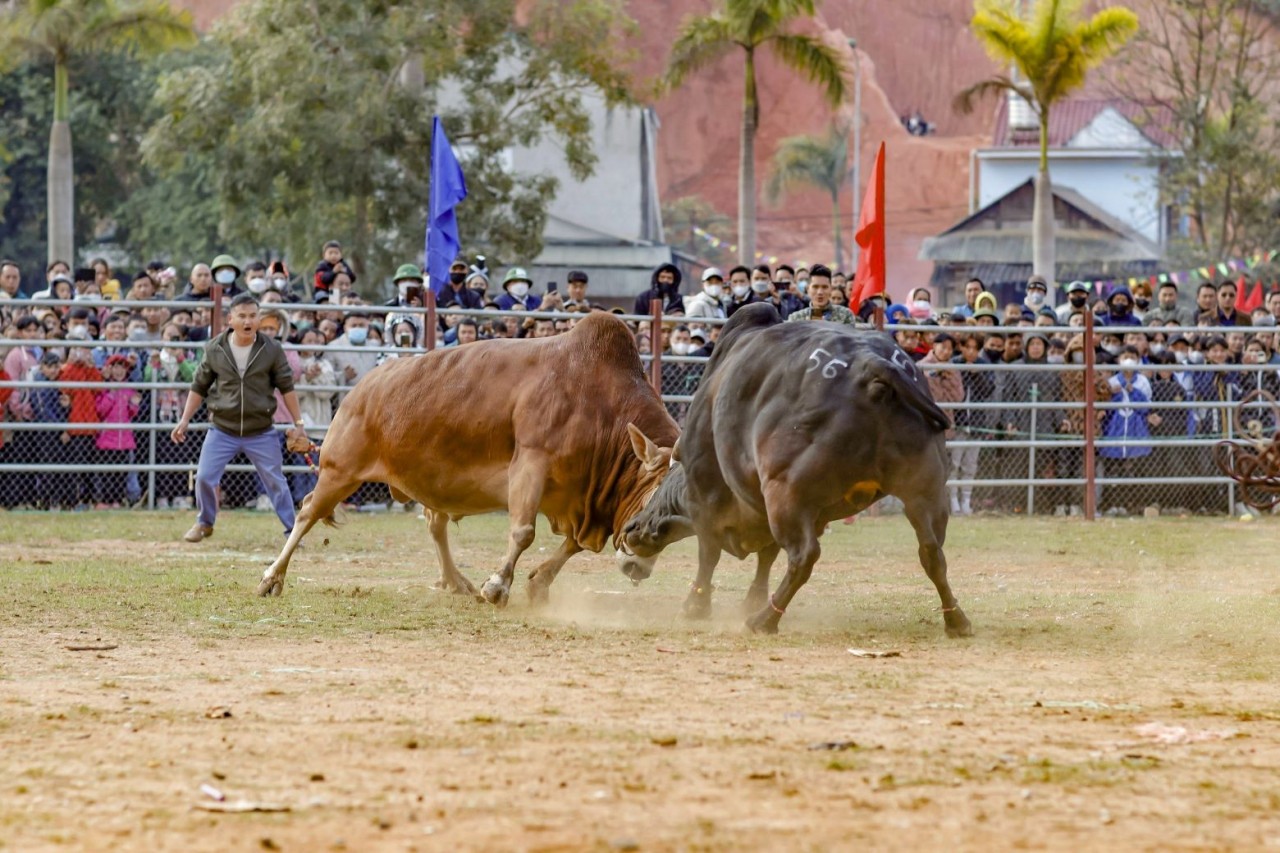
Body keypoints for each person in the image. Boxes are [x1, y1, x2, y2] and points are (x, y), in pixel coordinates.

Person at [170, 293, 307, 543]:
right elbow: (198, 386)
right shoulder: (215, 348)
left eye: (253, 315)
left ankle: (292, 530)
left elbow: (287, 387)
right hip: (222, 428)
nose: (248, 320)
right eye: (242, 316)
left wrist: (299, 425)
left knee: (276, 481)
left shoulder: (272, 349)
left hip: (262, 430)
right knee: (204, 477)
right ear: (230, 319)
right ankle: (205, 522)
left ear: (258, 318)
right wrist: (184, 419)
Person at [94, 354, 141, 508]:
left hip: (124, 439)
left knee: (121, 473)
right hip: (108, 438)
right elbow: (100, 410)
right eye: (116, 367)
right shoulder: (104, 388)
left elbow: (132, 413)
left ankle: (117, 499)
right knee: (107, 472)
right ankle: (105, 499)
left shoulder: (129, 388)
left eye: (122, 367)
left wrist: (134, 405)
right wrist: (111, 394)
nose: (119, 371)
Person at [784, 265, 854, 323]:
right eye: (815, 287)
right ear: (808, 289)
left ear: (831, 289)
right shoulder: (796, 319)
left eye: (825, 287)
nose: (820, 292)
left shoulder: (845, 315)